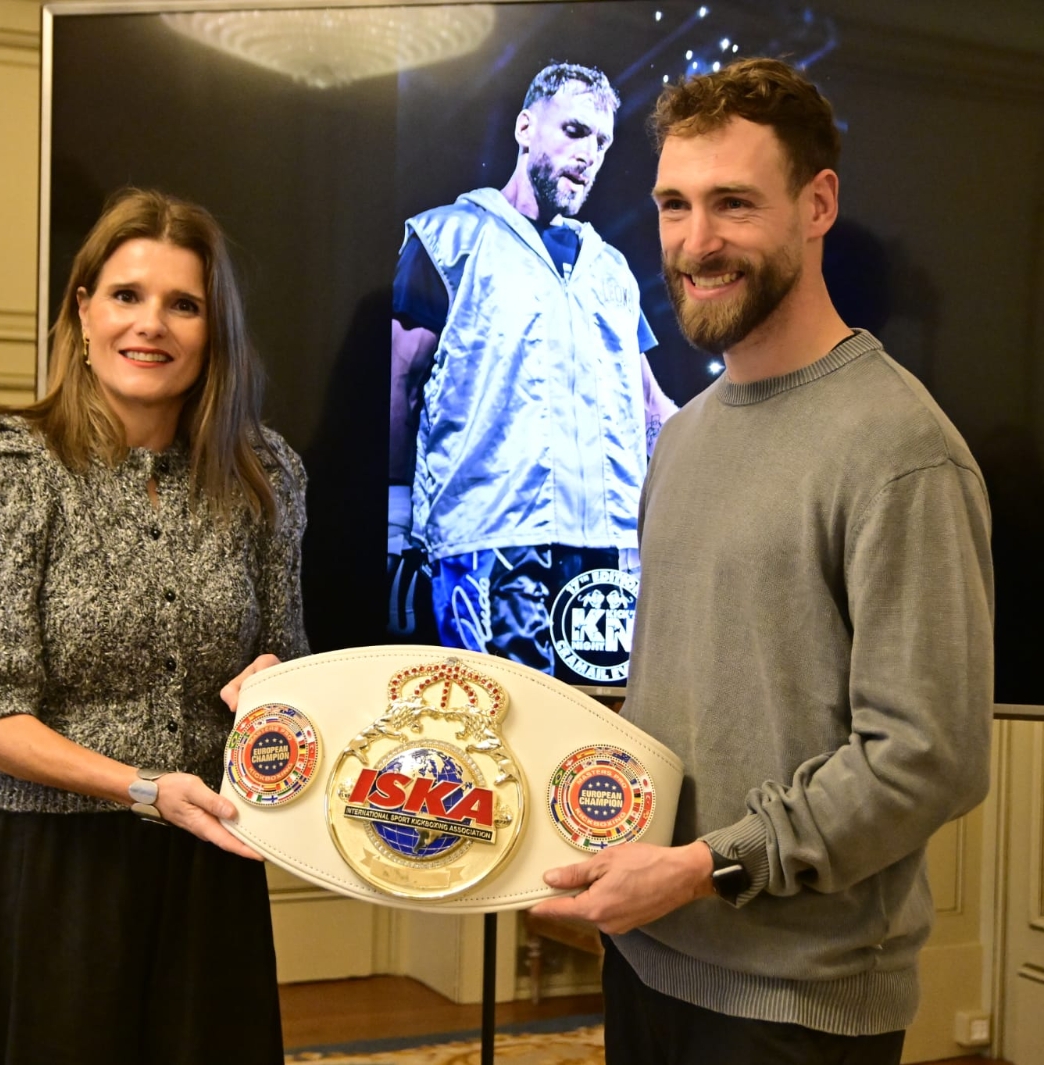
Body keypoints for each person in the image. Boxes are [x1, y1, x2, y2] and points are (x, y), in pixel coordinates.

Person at [530, 58, 994, 1064]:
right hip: (647, 959)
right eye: (673, 205)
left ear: (816, 203)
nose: (694, 243)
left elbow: (928, 759)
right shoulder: (684, 435)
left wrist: (702, 868)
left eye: (732, 203)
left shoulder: (899, 449)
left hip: (794, 1008)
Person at [0, 188, 305, 1064]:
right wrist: (143, 786)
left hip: (211, 864)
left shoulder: (267, 472)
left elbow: (288, 650)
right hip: (53, 874)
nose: (152, 325)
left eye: (184, 304)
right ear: (84, 308)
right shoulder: (5, 458)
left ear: (215, 331)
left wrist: (276, 684)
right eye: (128, 295)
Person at [389, 62, 678, 680]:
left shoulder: (611, 270)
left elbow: (652, 409)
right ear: (525, 127)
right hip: (489, 545)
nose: (589, 154)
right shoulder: (449, 238)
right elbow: (397, 387)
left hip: (609, 557)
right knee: (495, 745)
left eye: (602, 141)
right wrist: (393, 522)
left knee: (600, 753)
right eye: (574, 131)